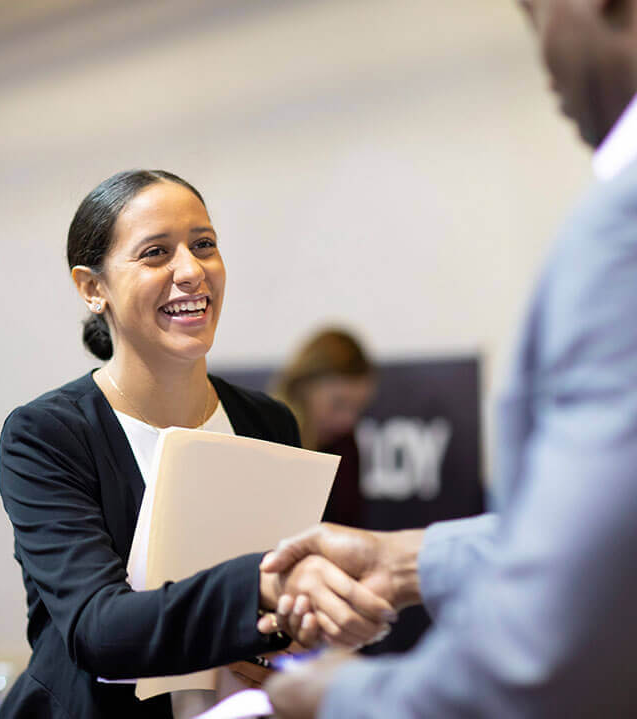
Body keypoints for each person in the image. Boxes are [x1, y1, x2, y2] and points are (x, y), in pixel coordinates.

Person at [259, 0, 637, 716]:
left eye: (532, 11)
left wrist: (341, 696)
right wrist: (404, 559)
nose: (541, 51)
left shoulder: (621, 230)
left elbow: (549, 648)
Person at [0, 170, 397, 719]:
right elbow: (99, 630)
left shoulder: (266, 420)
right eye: (156, 253)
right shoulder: (47, 435)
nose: (191, 271)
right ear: (93, 288)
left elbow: (280, 618)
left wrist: (286, 631)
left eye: (203, 244)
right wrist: (259, 589)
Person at [272, 329, 375, 528]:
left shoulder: (345, 444)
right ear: (303, 389)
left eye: (358, 408)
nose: (347, 420)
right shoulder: (269, 436)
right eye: (338, 404)